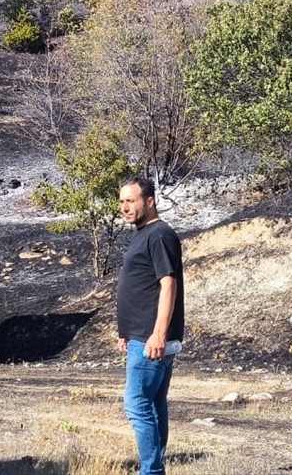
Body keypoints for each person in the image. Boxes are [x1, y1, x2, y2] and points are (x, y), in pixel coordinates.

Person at [116, 175, 185, 475]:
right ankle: (154, 469)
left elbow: (168, 285)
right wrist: (125, 334)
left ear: (150, 201)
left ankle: (152, 471)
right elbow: (142, 287)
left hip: (150, 340)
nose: (125, 207)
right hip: (140, 336)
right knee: (154, 405)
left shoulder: (158, 235)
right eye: (121, 202)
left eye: (131, 200)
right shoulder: (145, 234)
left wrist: (158, 334)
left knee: (136, 405)